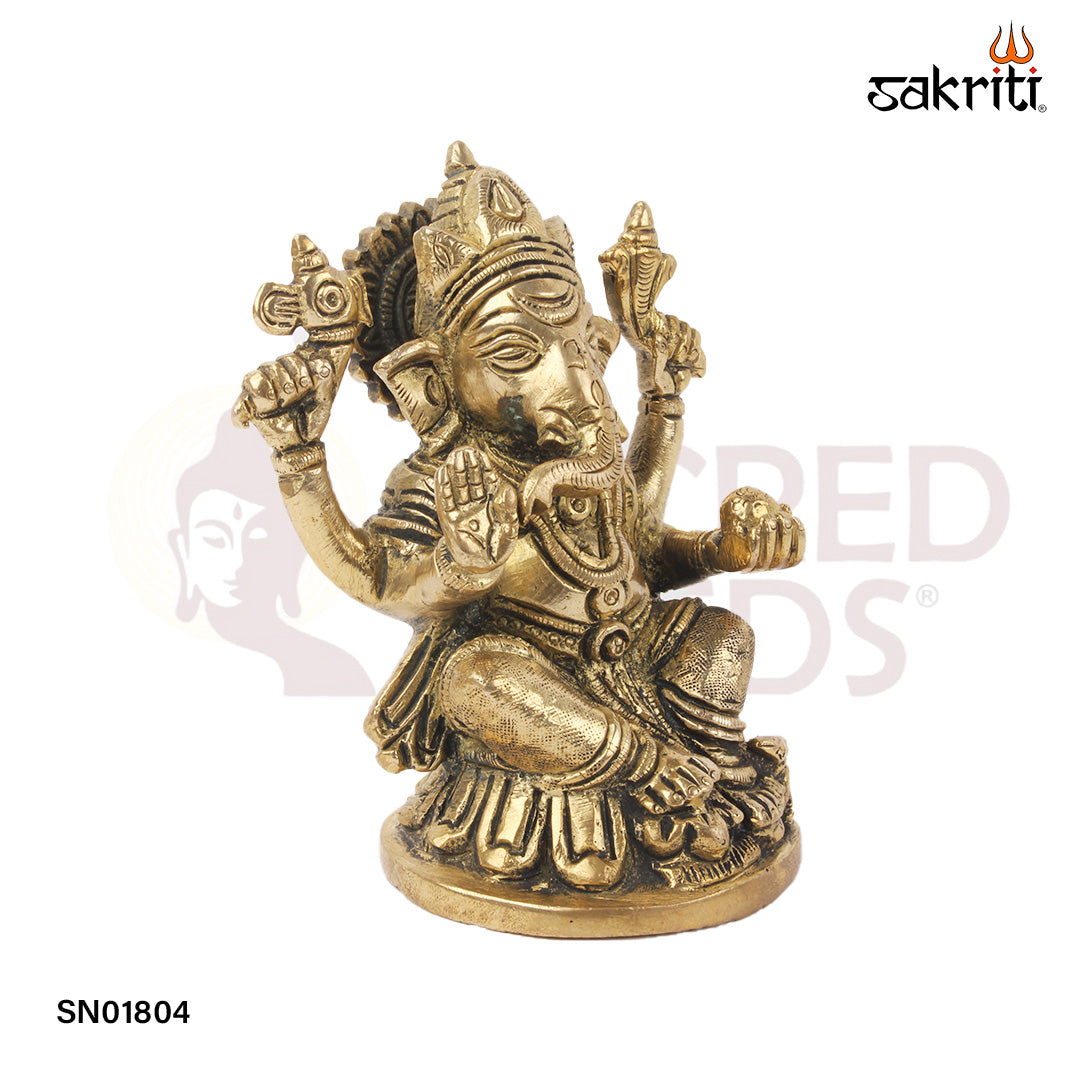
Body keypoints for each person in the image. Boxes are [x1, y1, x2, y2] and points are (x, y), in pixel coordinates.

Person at [235, 143, 803, 889]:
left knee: (723, 636)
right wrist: (309, 466)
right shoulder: (447, 478)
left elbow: (639, 550)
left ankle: (706, 765)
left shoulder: (588, 457)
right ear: (432, 382)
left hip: (630, 650)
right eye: (516, 353)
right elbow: (376, 577)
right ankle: (644, 763)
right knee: (477, 678)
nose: (571, 380)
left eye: (578, 349)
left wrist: (718, 549)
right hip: (526, 678)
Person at [169, 413, 372, 697]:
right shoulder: (166, 664)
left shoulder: (332, 671)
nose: (238, 562)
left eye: (258, 537)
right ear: (183, 551)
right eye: (214, 538)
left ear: (294, 555)